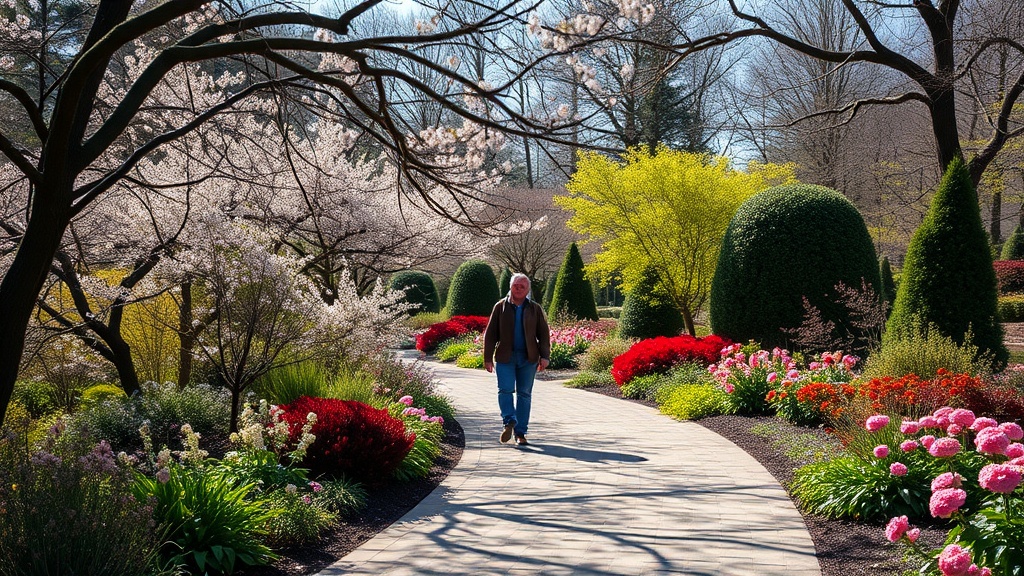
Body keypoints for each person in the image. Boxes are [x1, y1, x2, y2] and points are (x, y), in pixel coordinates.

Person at [483, 272, 550, 446]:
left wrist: (545, 357)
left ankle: (520, 433)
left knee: (524, 394)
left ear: (528, 289)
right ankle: (509, 421)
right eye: (515, 286)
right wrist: (487, 358)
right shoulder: (500, 307)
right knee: (505, 390)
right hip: (505, 357)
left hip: (529, 358)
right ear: (510, 287)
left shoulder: (535, 308)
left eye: (522, 286)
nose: (519, 289)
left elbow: (544, 335)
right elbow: (490, 334)